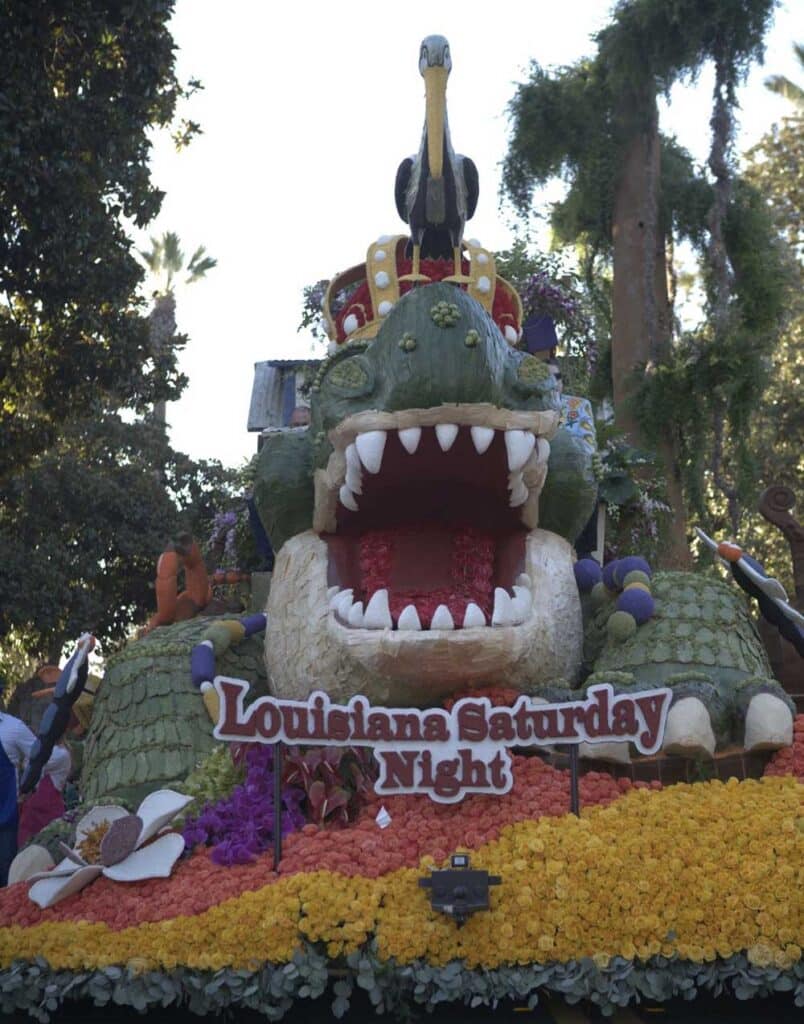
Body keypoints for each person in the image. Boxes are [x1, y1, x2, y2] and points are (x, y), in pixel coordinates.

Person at [0, 690, 70, 886]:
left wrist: (24, 784)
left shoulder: (13, 728)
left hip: (6, 819)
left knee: (8, 874)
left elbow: (40, 756)